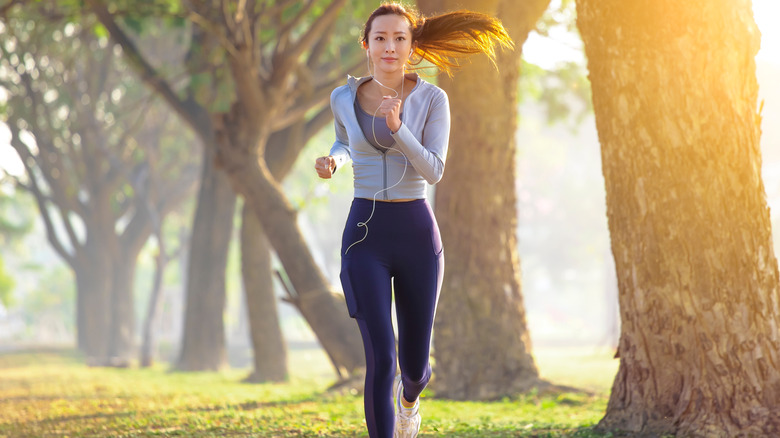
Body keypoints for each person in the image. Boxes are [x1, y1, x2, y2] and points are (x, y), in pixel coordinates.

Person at [315, 3, 512, 437]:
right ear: (366, 44)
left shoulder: (432, 99)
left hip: (417, 237)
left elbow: (434, 170)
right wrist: (334, 159)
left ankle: (410, 403)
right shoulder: (342, 97)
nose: (390, 46)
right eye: (381, 38)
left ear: (412, 46)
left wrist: (398, 127)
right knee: (381, 357)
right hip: (363, 234)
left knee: (414, 366)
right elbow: (345, 140)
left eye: (399, 38)